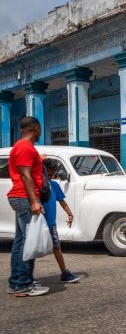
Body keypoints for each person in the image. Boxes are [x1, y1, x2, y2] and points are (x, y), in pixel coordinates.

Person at [6, 116, 49, 297]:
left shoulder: (23, 147)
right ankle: (24, 284)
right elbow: (25, 176)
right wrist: (34, 201)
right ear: (35, 128)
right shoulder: (24, 147)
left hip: (20, 197)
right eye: (40, 129)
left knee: (20, 241)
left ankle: (16, 281)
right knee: (28, 241)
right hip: (25, 198)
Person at [42, 159, 79, 283]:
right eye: (48, 174)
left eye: (53, 175)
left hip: (51, 223)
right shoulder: (38, 185)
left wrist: (69, 213)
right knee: (32, 249)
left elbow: (62, 201)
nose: (50, 177)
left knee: (57, 247)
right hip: (40, 224)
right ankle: (26, 278)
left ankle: (64, 273)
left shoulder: (54, 185)